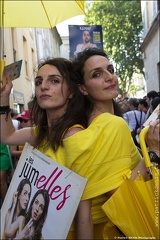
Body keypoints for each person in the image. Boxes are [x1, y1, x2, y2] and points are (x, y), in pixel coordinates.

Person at [0, 55, 159, 239]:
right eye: (38, 81)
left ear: (72, 92)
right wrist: (4, 98)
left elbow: (94, 206)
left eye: (54, 80)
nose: (44, 86)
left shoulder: (78, 134)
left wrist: (153, 154)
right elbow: (7, 135)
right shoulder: (44, 132)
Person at [70, 47, 160, 239]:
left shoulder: (90, 125)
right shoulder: (111, 124)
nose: (109, 77)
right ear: (82, 88)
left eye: (110, 70)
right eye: (97, 74)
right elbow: (122, 197)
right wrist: (153, 152)